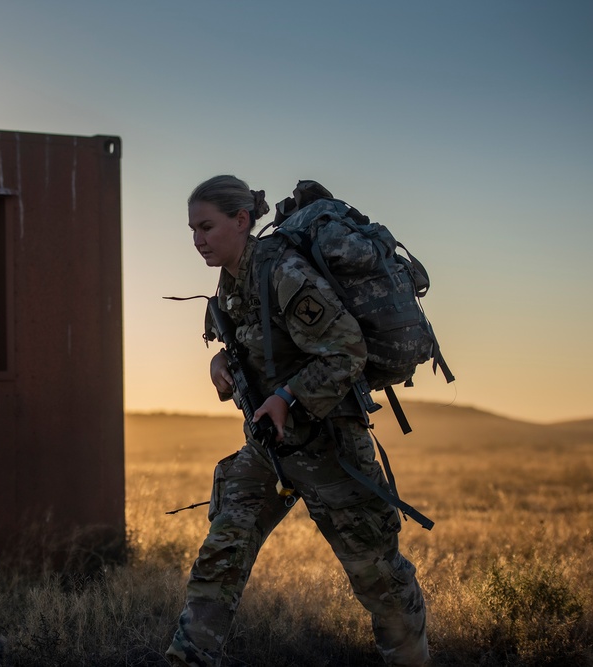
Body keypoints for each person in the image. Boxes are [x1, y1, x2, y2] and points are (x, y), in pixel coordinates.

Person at [165, 175, 429, 667]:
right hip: (268, 450)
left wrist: (288, 396)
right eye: (192, 230)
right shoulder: (230, 281)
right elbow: (242, 348)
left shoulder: (283, 272)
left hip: (330, 449)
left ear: (241, 221)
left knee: (378, 579)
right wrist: (218, 366)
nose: (198, 240)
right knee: (221, 555)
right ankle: (189, 657)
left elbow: (349, 350)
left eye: (206, 227)